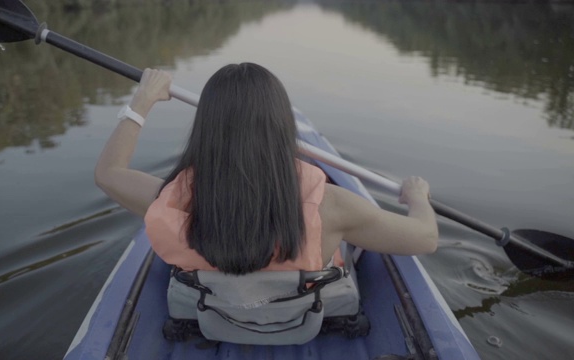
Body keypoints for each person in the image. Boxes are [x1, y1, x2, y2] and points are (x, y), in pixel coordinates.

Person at [95, 63, 438, 276]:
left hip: (211, 314)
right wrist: (418, 197)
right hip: (300, 320)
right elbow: (426, 237)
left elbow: (108, 173)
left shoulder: (173, 200)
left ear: (206, 126)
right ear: (282, 126)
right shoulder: (332, 205)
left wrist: (142, 102)